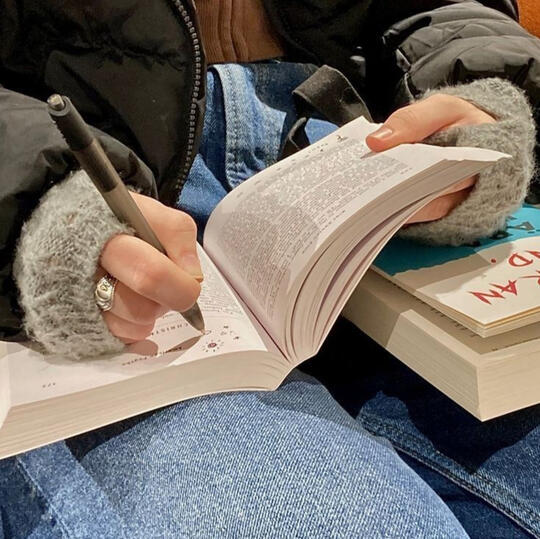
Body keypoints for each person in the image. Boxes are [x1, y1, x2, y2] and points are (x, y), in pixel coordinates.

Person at [0, 0, 538, 536]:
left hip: (354, 155)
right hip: (102, 179)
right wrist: (35, 210)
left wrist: (478, 109)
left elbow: (445, 10)